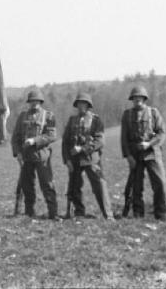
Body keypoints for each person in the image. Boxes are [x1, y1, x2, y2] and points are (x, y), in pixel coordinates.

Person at [61, 92, 114, 220]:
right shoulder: (71, 120)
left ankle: (108, 214)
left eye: (84, 103)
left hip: (91, 159)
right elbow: (65, 142)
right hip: (74, 160)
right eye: (79, 103)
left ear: (88, 105)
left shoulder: (96, 120)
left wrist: (82, 148)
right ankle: (79, 212)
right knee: (74, 187)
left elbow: (100, 141)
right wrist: (67, 159)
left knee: (99, 186)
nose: (81, 106)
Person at [121, 86, 166, 220]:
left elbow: (161, 133)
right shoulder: (127, 115)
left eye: (140, 98)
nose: (137, 100)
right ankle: (138, 214)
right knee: (136, 187)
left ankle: (161, 214)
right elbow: (124, 138)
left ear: (144, 98)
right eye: (135, 98)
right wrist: (128, 156)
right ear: (132, 100)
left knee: (160, 184)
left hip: (152, 153)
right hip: (135, 155)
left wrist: (149, 143)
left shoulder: (154, 112)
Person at [11, 90, 58, 219]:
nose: (34, 103)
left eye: (36, 101)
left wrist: (34, 141)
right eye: (32, 101)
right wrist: (17, 153)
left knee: (47, 185)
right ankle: (29, 212)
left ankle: (53, 213)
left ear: (41, 102)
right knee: (27, 186)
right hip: (26, 158)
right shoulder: (22, 116)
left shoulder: (48, 116)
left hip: (42, 156)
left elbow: (52, 135)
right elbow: (16, 137)